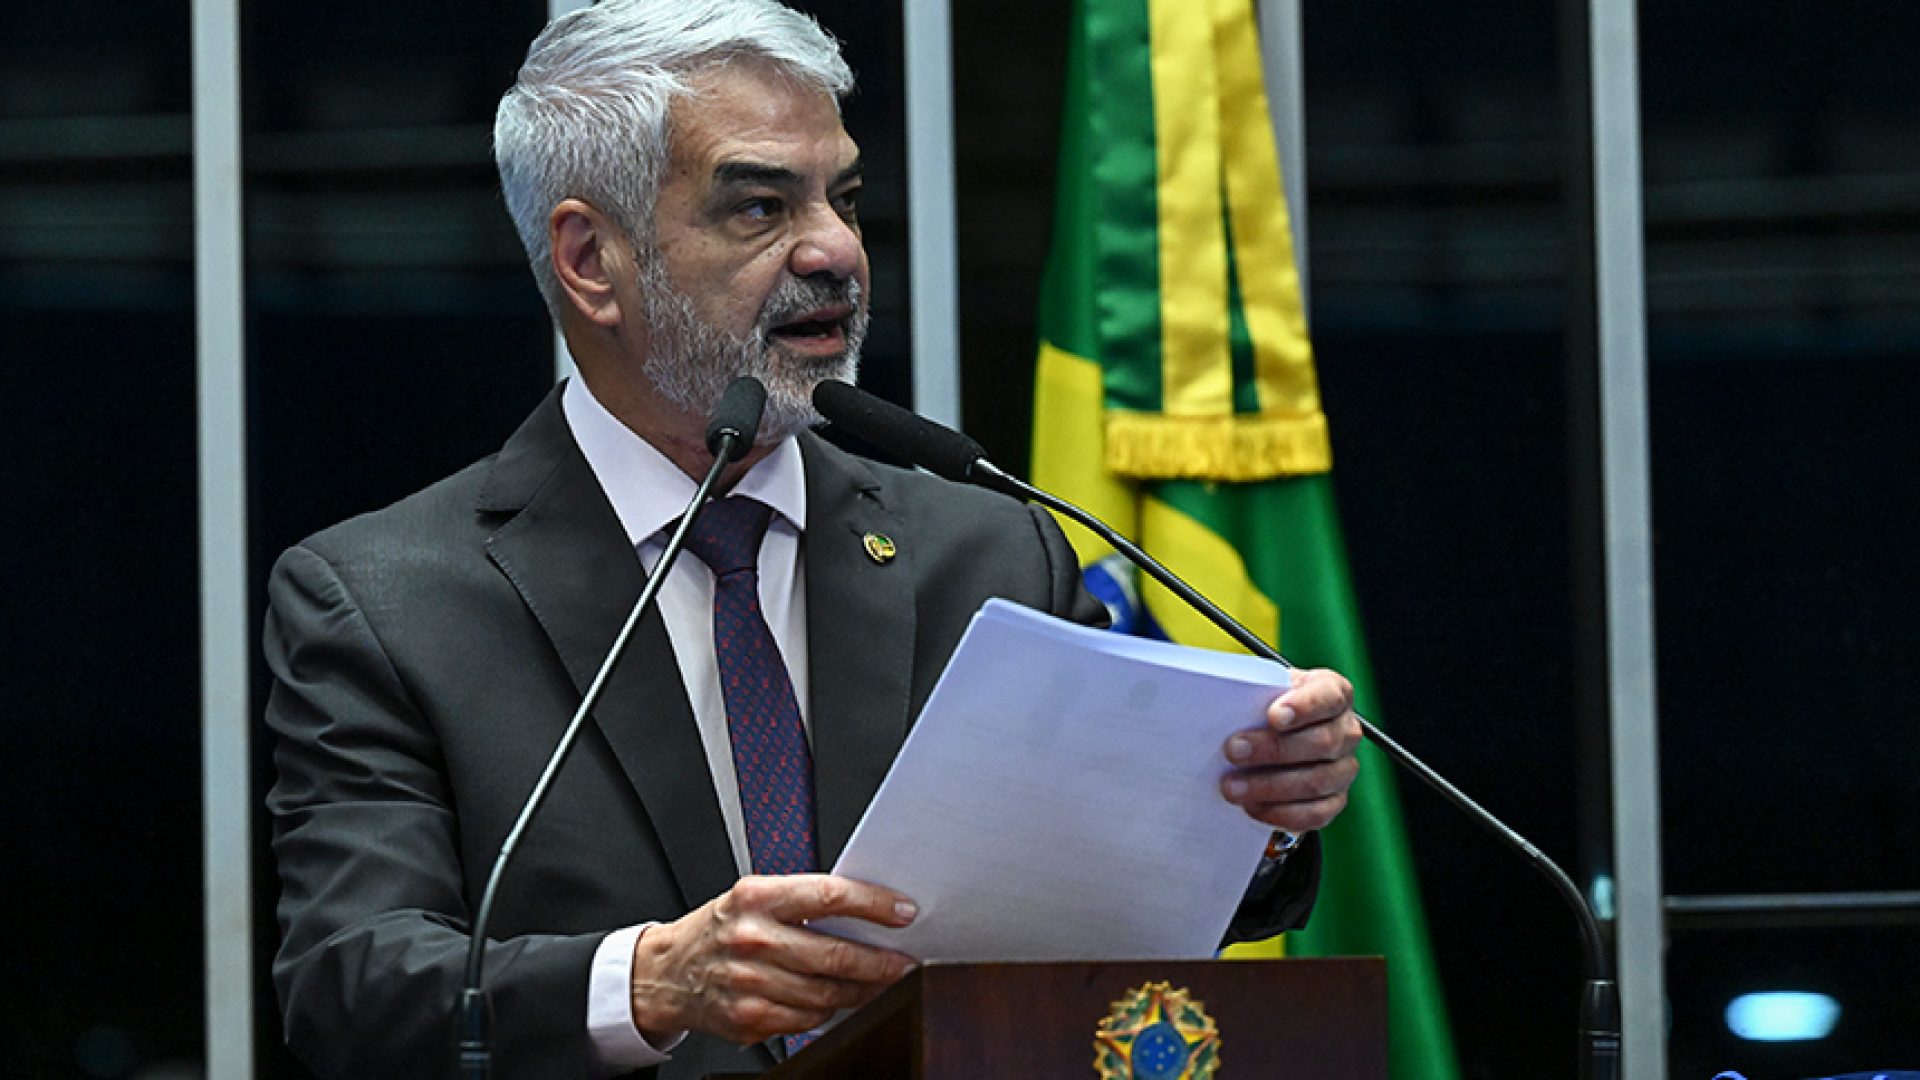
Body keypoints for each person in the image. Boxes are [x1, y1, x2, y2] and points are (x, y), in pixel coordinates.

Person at [263, 2, 1364, 1077]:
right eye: (759, 208)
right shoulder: (387, 601)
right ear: (592, 261)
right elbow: (351, 985)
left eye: (842, 197)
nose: (835, 251)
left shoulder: (990, 550)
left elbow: (1132, 901)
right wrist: (650, 981)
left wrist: (1247, 809)